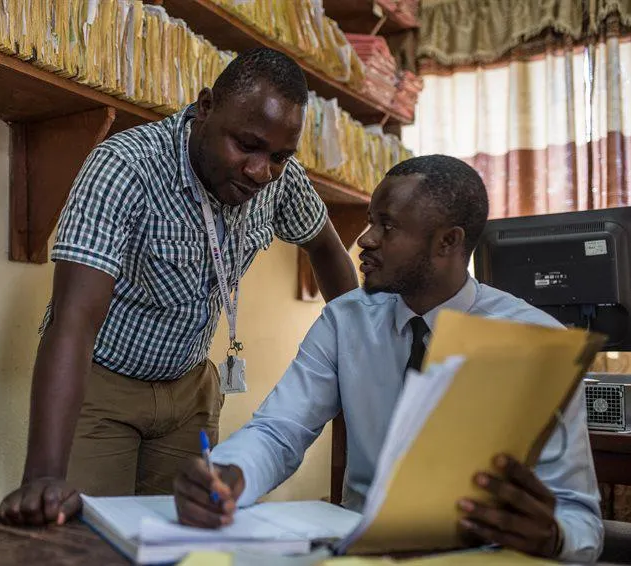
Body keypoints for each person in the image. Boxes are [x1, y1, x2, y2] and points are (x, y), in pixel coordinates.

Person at [172, 155, 603, 563]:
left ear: (448, 242)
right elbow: (281, 429)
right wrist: (231, 473)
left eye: (387, 226)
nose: (365, 239)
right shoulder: (346, 321)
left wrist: (551, 536)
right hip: (362, 552)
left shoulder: (534, 340)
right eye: (370, 220)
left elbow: (581, 521)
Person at [0, 47, 359, 527]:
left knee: (181, 541)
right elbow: (74, 320)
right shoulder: (127, 167)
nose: (260, 171)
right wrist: (42, 475)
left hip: (191, 394)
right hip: (103, 389)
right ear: (205, 107)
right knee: (84, 541)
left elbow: (329, 249)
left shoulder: (278, 178)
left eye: (278, 156)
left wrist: (359, 350)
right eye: (246, 145)